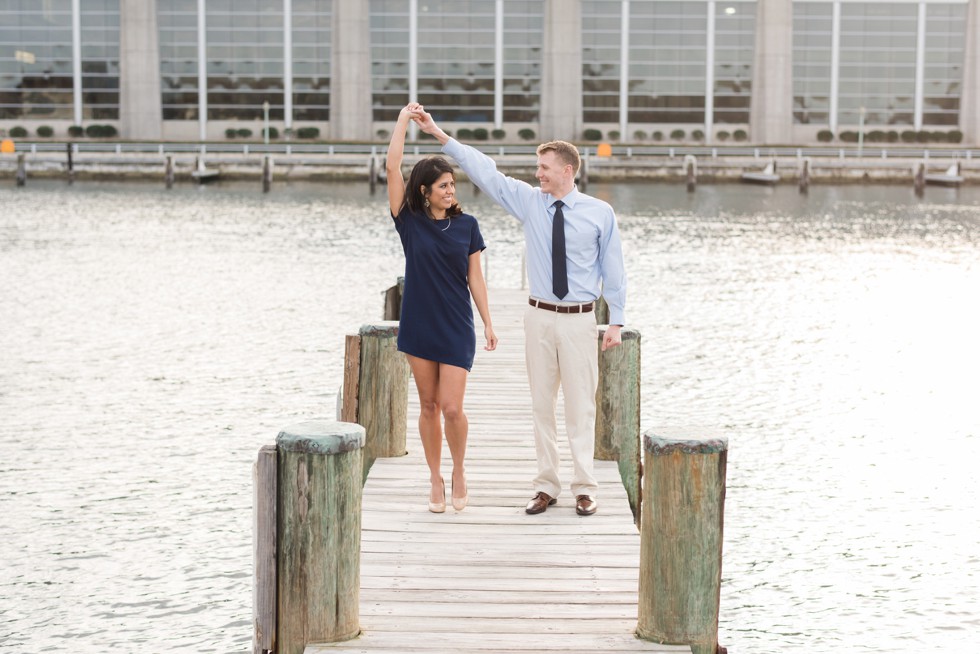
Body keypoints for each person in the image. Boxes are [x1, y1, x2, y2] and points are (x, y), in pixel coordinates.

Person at [413, 107, 626, 517]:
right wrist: (439, 134)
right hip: (539, 317)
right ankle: (547, 485)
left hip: (582, 318)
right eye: (537, 167)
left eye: (544, 168)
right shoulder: (531, 203)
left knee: (581, 405)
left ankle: (585, 488)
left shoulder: (601, 213)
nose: (538, 174)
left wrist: (616, 320)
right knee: (541, 404)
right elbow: (487, 173)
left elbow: (613, 270)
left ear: (567, 170)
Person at [386, 102, 497, 513]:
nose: (451, 191)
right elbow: (392, 167)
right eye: (444, 186)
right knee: (428, 406)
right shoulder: (408, 222)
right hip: (418, 324)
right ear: (425, 191)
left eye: (453, 184)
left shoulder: (467, 226)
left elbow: (476, 279)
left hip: (455, 325)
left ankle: (459, 471)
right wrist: (402, 120)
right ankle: (434, 477)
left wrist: (487, 322)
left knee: (452, 408)